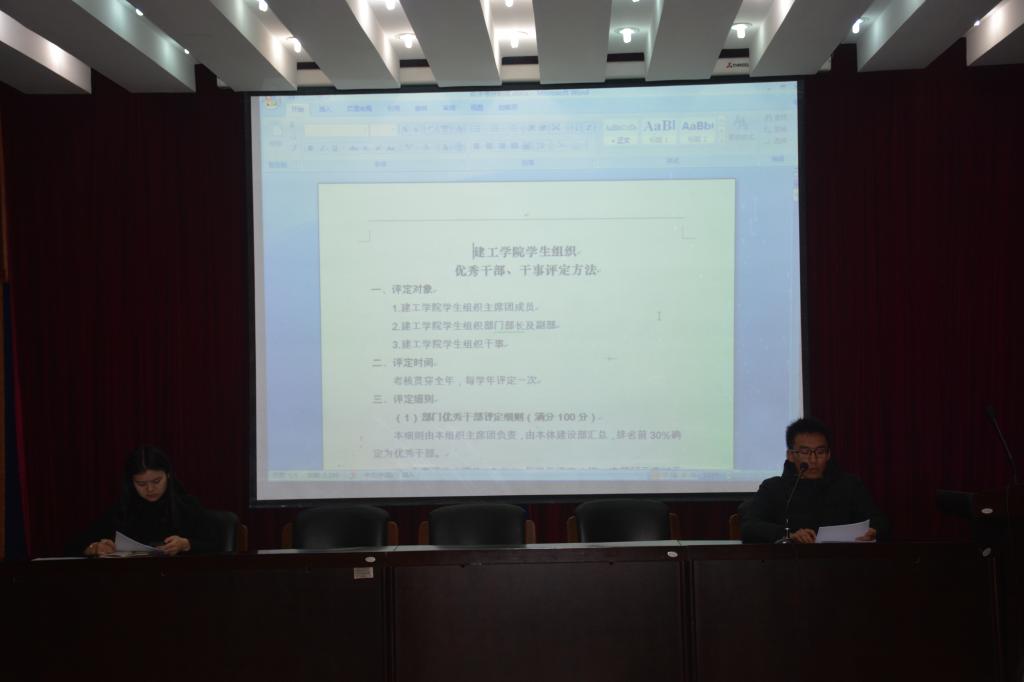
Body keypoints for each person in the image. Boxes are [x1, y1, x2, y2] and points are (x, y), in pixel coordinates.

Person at [740, 417, 889, 544]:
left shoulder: (849, 485)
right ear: (790, 455)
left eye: (820, 452)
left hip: (842, 562)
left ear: (828, 454)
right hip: (789, 563)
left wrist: (873, 531)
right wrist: (789, 535)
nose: (813, 459)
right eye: (805, 452)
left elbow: (879, 522)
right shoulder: (773, 487)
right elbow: (749, 527)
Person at [69, 445, 218, 556]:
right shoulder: (122, 508)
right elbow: (75, 544)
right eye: (141, 484)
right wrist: (94, 548)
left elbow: (216, 545)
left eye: (156, 481)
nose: (150, 489)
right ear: (131, 482)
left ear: (168, 475)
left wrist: (186, 544)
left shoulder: (187, 505)